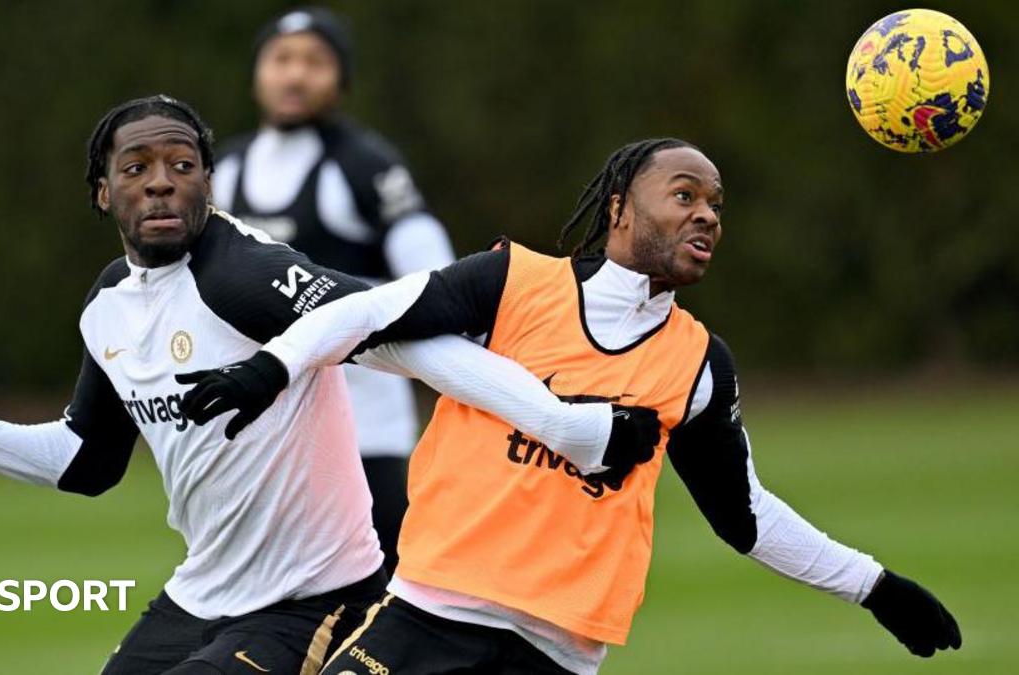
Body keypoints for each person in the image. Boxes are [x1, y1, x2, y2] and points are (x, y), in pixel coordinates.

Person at [0, 95, 644, 674]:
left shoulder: (243, 275)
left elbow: (404, 338)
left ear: (209, 182)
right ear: (102, 191)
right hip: (201, 594)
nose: (160, 183)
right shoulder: (108, 306)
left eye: (182, 166)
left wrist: (565, 424)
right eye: (136, 168)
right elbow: (86, 460)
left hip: (316, 598)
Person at [202, 139, 962, 673]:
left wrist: (875, 587)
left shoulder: (700, 364)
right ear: (620, 207)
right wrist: (272, 367)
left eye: (716, 206)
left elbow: (746, 517)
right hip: (427, 619)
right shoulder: (513, 282)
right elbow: (370, 314)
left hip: (555, 654)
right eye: (685, 196)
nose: (706, 215)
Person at [211, 7, 456, 573]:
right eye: (281, 59)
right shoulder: (223, 170)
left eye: (314, 62)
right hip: (258, 436)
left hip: (365, 437)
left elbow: (435, 277)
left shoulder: (366, 166)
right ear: (257, 73)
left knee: (384, 595)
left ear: (340, 79)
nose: (295, 75)